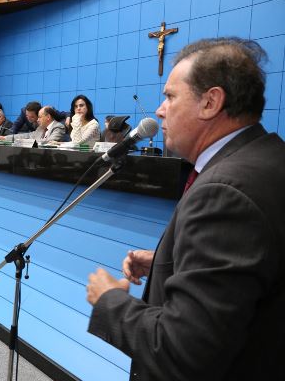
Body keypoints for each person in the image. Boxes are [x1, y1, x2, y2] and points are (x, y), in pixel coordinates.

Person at [85, 37, 285, 381]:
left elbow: (183, 350)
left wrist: (110, 302)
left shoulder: (225, 193)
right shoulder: (267, 157)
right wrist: (172, 256)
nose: (160, 110)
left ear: (210, 102)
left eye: (170, 96)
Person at [0, 105, 66, 144]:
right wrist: (5, 138)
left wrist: (25, 142)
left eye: (39, 117)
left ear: (48, 117)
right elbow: (27, 135)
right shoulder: (41, 128)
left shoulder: (58, 127)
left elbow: (49, 142)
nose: (38, 120)